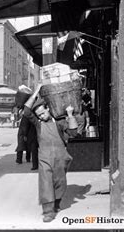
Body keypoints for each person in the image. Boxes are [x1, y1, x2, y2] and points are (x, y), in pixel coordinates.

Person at [23, 84, 78, 223]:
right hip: (45, 158)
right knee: (46, 183)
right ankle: (48, 211)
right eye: (39, 115)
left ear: (48, 108)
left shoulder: (59, 123)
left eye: (43, 113)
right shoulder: (38, 124)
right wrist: (36, 91)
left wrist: (70, 115)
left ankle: (57, 203)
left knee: (60, 182)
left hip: (60, 157)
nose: (41, 116)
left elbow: (73, 133)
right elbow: (26, 111)